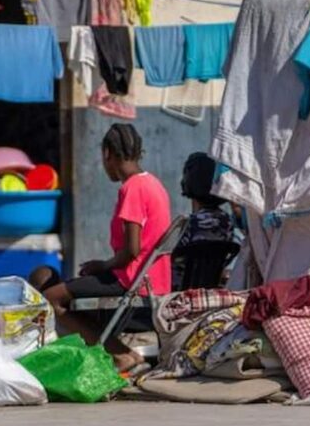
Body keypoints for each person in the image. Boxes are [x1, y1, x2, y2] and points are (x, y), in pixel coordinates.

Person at [29, 123, 170, 371]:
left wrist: (102, 265)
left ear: (108, 154)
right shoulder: (153, 183)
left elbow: (132, 250)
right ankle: (117, 351)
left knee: (52, 298)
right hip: (151, 279)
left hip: (132, 280)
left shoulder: (132, 188)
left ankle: (122, 354)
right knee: (68, 288)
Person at [172, 152, 239, 288]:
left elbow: (175, 262)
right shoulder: (227, 222)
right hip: (211, 290)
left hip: (179, 292)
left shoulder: (190, 224)